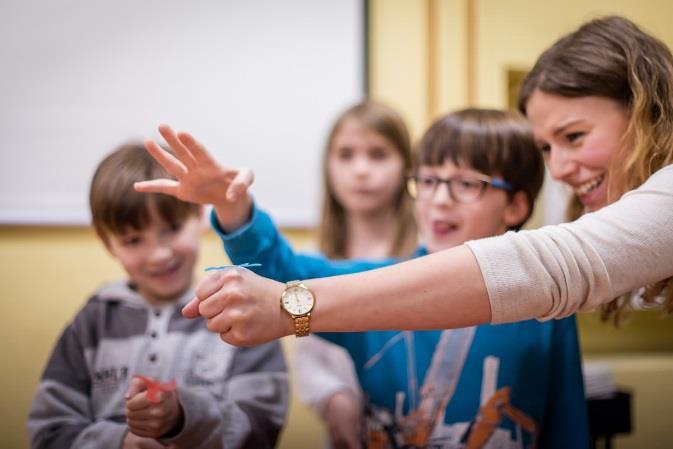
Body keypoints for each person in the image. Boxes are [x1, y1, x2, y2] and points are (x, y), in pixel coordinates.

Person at [131, 15, 672, 348]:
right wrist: (236, 212)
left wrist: (289, 306)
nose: (559, 168)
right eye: (548, 148)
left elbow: (544, 268)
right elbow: (287, 269)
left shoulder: (547, 313)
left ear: (648, 112)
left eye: (575, 137)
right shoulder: (389, 275)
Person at [135, 109, 589, 448]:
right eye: (428, 181)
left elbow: (568, 425)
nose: (438, 200)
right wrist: (232, 207)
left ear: (516, 206)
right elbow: (285, 275)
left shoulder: (546, 302)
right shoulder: (381, 282)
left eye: (466, 184)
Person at [27, 143, 288, 449]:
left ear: (199, 213)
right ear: (107, 242)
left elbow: (261, 429)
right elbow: (49, 431)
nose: (158, 255)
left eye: (172, 228)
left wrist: (182, 418)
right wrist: (120, 442)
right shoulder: (93, 322)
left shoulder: (239, 310)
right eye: (133, 240)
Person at [296, 101, 417, 449]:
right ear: (328, 165)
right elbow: (308, 351)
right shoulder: (313, 261)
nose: (361, 170)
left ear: (407, 167)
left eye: (378, 154)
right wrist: (334, 397)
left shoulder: (428, 255)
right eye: (346, 155)